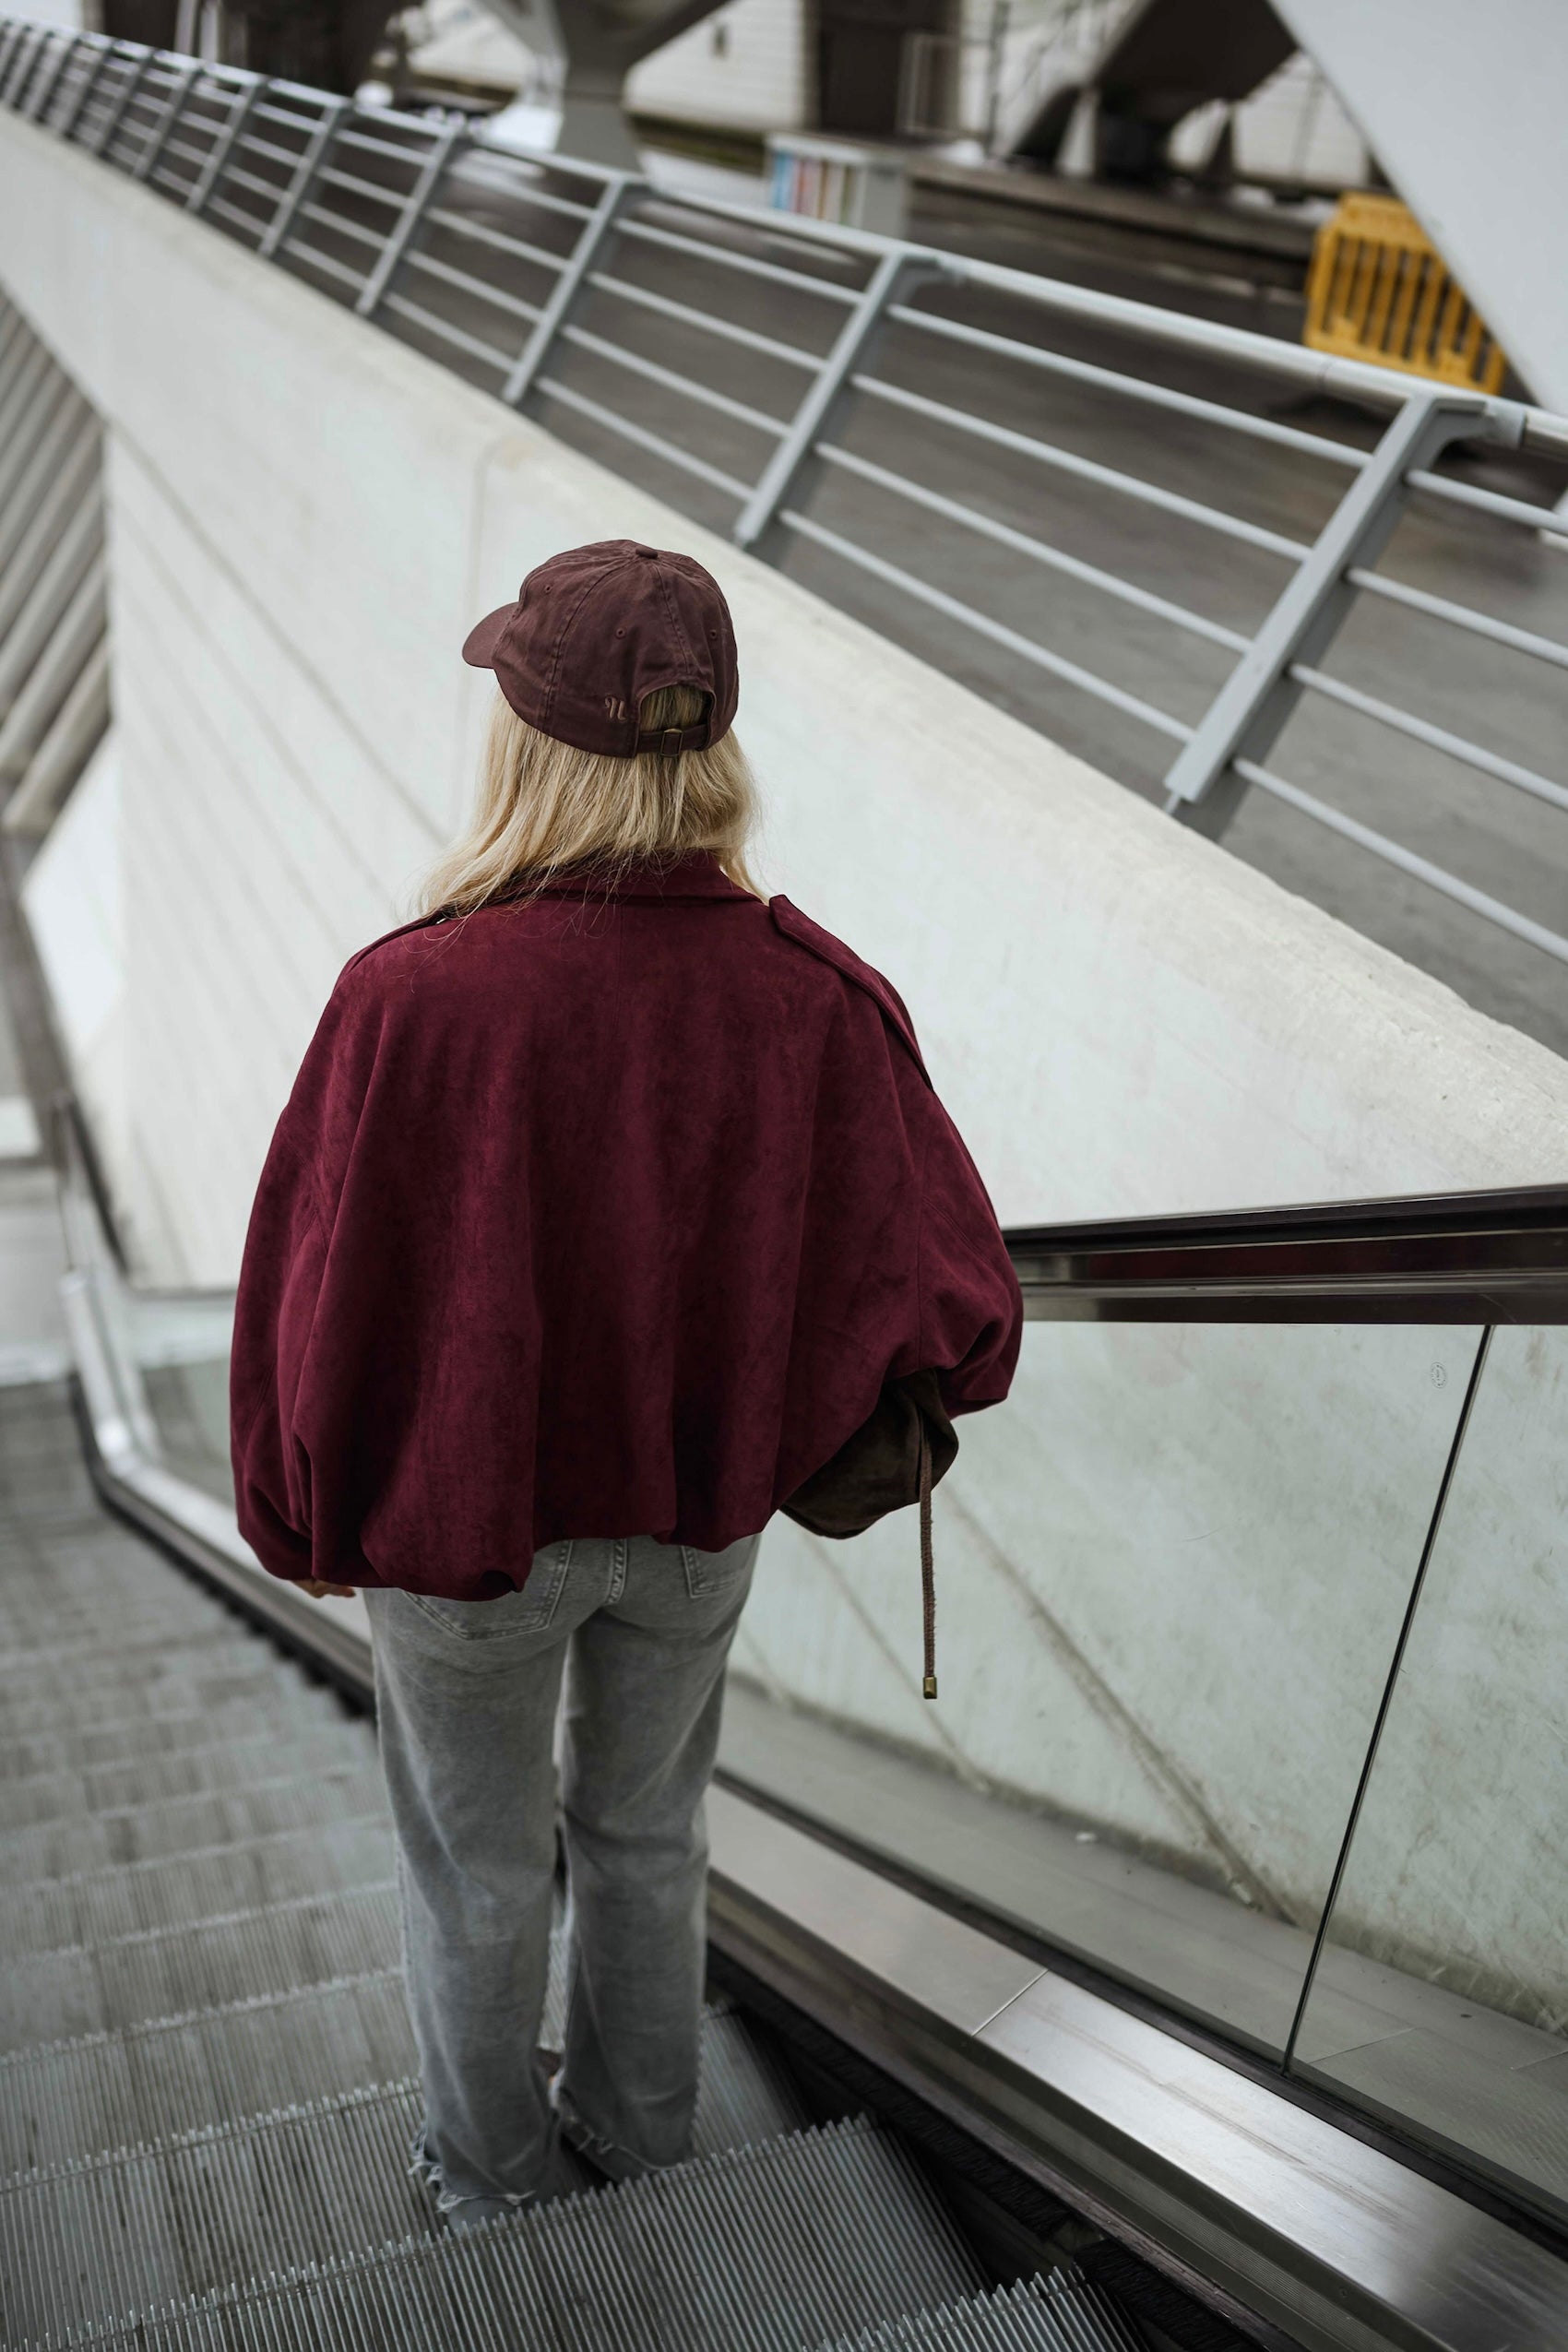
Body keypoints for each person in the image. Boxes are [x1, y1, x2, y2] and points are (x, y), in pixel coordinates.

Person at [230, 538, 1022, 2227]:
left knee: (477, 1873)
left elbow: (312, 1285)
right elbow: (956, 1293)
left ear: (526, 744)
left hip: (462, 1538)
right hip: (692, 1524)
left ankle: (494, 2185)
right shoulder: (811, 996)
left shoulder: (407, 997)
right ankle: (645, 2145)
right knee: (651, 1840)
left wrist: (297, 1506)